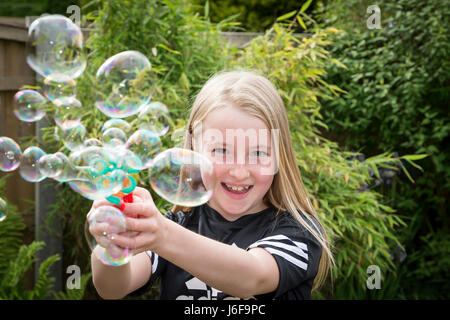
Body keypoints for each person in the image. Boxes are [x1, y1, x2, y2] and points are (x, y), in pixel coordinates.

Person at [88, 70, 334, 300]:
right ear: (194, 148)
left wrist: (160, 234)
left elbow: (253, 277)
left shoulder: (298, 234)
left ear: (279, 155)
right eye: (221, 150)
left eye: (258, 153)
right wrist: (113, 240)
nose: (239, 172)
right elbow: (112, 288)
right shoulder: (178, 224)